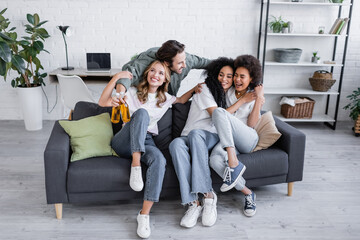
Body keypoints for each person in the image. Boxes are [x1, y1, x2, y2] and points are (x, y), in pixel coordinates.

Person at [98, 60, 198, 239]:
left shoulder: (165, 99)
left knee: (160, 160)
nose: (155, 75)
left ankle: (144, 215)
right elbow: (102, 101)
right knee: (142, 113)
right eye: (153, 70)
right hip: (124, 140)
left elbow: (182, 99)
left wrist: (196, 88)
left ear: (164, 80)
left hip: (147, 141)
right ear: (147, 73)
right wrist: (116, 78)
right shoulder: (132, 92)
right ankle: (135, 166)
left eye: (160, 73)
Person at [169, 57, 245, 228]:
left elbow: (225, 119)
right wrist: (242, 101)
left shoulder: (230, 93)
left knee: (196, 135)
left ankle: (209, 196)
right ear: (214, 74)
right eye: (221, 74)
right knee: (175, 144)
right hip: (189, 136)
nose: (224, 79)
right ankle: (193, 203)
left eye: (229, 76)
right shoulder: (205, 88)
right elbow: (217, 114)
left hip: (209, 137)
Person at [209, 54, 265, 217]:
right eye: (236, 75)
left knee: (219, 112)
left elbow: (251, 125)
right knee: (214, 160)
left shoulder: (255, 95)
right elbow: (220, 116)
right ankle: (248, 193)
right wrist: (241, 101)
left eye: (242, 77)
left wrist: (258, 98)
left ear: (251, 78)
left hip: (247, 139)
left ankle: (233, 162)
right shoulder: (229, 91)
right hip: (229, 141)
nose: (237, 80)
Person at [115, 40, 211, 97]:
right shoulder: (145, 63)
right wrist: (120, 96)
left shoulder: (186, 59)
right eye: (180, 63)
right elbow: (125, 76)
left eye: (184, 60)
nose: (184, 65)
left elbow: (209, 63)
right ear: (167, 63)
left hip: (167, 98)